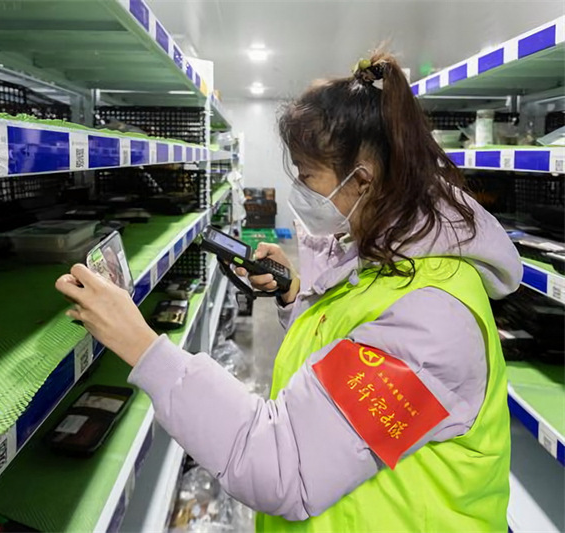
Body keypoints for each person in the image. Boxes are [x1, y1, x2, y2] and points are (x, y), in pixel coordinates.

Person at [55, 51, 522, 532]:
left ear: (362, 180)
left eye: (307, 175)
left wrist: (141, 344)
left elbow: (283, 465)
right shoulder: (387, 255)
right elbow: (350, 351)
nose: (299, 189)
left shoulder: (434, 320)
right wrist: (294, 295)